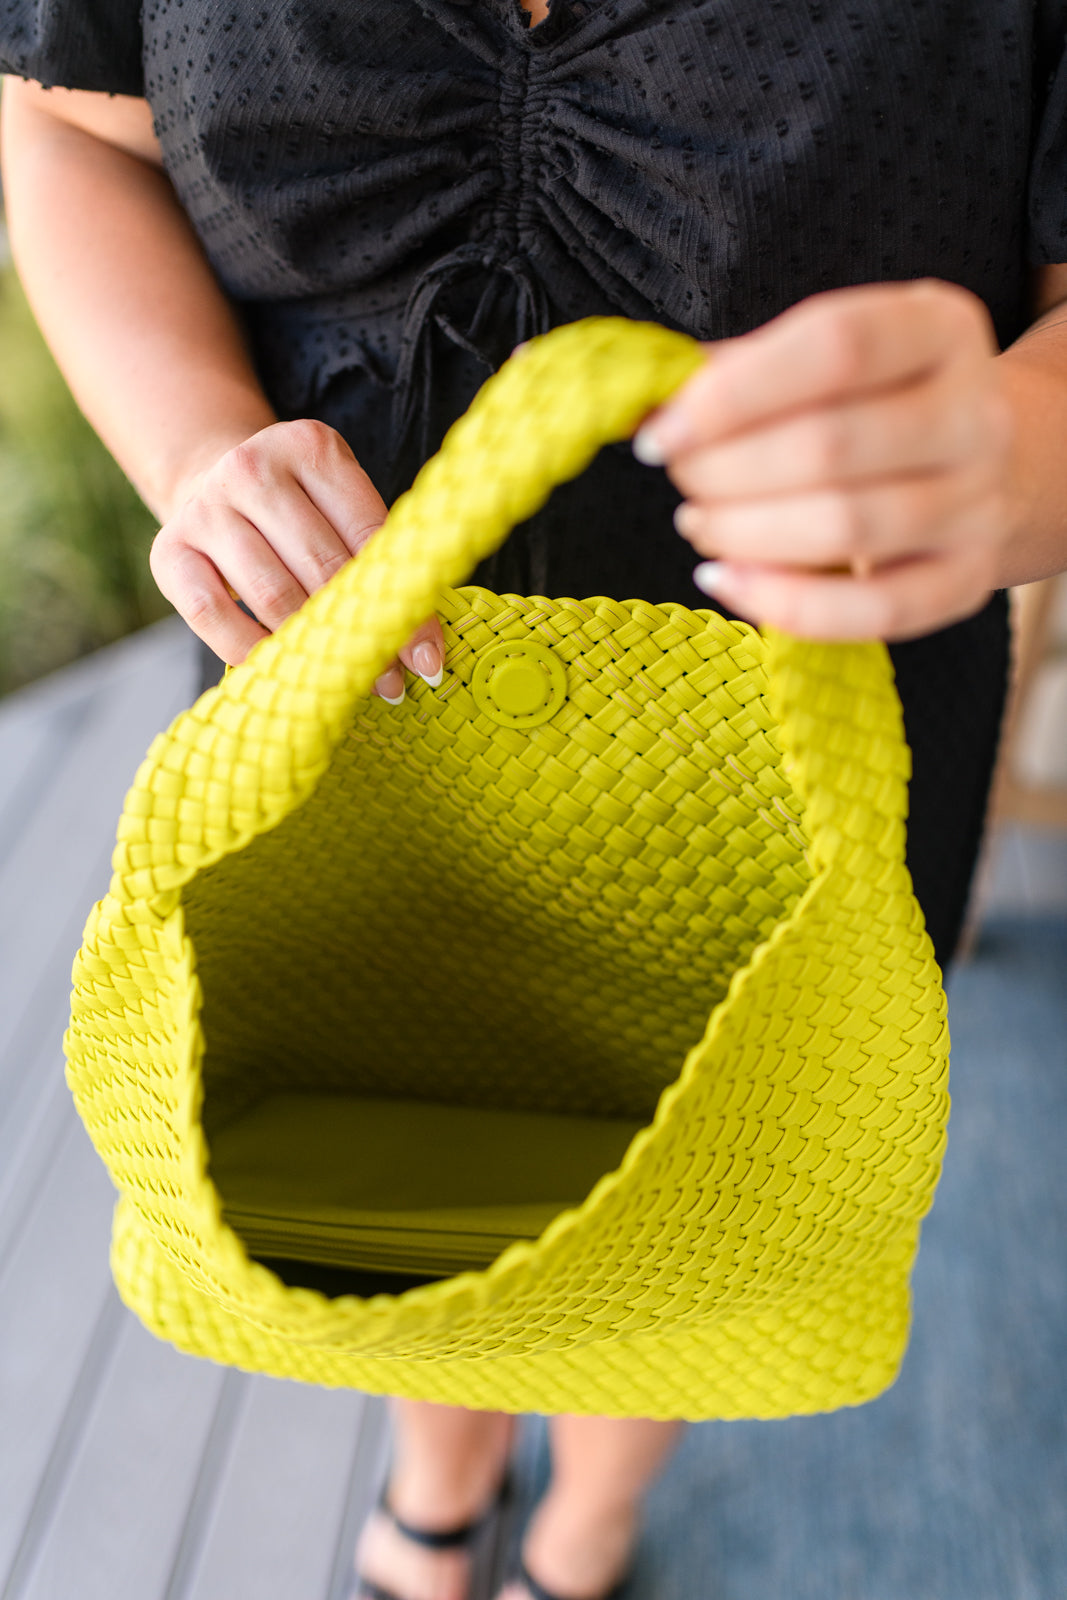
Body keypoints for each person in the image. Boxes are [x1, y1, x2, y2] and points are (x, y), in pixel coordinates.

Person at [4, 3, 1067, 1597]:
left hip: (802, 704)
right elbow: (69, 123)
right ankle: (444, 1478)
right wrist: (197, 444)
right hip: (343, 676)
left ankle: (587, 1517)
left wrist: (1018, 455)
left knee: (709, 1183)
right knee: (386, 1110)